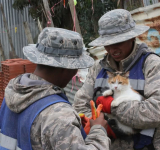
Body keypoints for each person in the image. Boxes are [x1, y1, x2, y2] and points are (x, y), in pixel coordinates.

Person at [0, 27, 111, 150]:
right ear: (68, 68)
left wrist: (74, 131)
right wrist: (98, 131)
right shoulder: (60, 115)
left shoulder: (13, 91)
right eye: (77, 67)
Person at [73, 9, 160, 150]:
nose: (113, 50)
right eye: (107, 44)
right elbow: (79, 104)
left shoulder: (151, 64)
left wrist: (114, 106)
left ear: (132, 37)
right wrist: (97, 126)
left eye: (118, 42)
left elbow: (156, 111)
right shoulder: (98, 68)